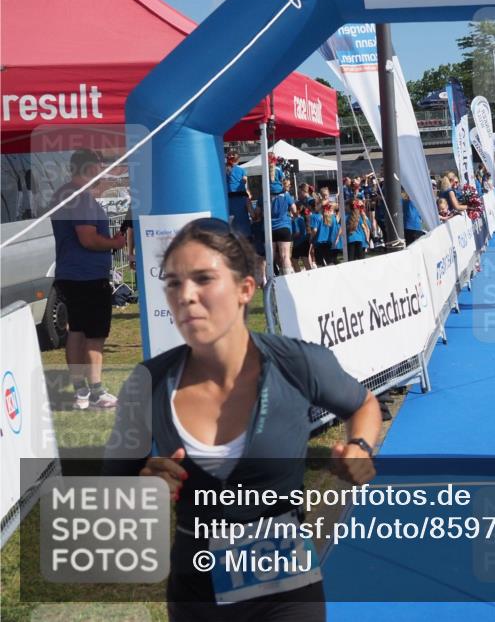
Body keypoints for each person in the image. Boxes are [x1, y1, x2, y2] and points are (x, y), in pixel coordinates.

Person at [103, 218, 380, 619]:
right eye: (174, 283)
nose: (186, 296)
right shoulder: (147, 383)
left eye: (203, 279)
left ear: (244, 289)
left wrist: (360, 446)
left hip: (284, 585)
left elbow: (363, 404)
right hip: (195, 589)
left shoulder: (297, 364)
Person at [50, 149, 127, 410]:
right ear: (90, 167)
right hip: (87, 275)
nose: (103, 170)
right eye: (100, 165)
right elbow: (88, 238)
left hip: (71, 273)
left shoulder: (63, 193)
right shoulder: (80, 198)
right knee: (94, 334)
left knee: (77, 331)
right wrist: (114, 243)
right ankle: (95, 391)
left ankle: (81, 392)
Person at [225, 153, 252, 237]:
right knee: (243, 218)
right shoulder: (241, 170)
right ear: (238, 160)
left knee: (231, 219)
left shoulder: (224, 170)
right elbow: (244, 181)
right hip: (240, 196)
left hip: (229, 198)